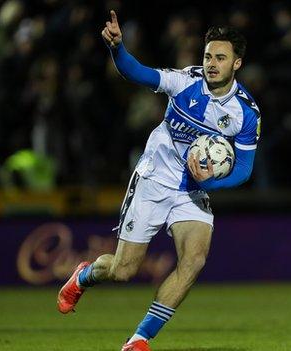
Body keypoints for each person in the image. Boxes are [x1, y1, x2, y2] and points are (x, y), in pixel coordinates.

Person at [56, 10, 260, 351]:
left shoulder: (245, 112)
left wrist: (208, 183)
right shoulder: (185, 82)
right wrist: (117, 49)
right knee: (123, 270)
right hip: (154, 180)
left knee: (194, 259)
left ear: (236, 64)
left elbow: (244, 168)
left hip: (193, 191)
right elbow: (137, 73)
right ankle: (84, 276)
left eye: (220, 58)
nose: (211, 63)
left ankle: (138, 340)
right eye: (208, 55)